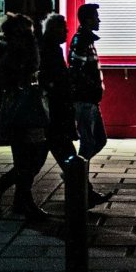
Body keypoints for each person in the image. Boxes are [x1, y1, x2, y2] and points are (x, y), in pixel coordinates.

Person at [38, 13, 113, 209]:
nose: (67, 31)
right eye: (63, 28)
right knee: (79, 149)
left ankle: (78, 180)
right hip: (68, 106)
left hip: (73, 104)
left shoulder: (60, 46)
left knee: (95, 142)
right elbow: (73, 71)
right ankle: (80, 186)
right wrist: (89, 88)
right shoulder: (73, 43)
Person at [0, 13, 52, 220]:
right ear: (20, 34)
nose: (33, 35)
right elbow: (21, 78)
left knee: (29, 159)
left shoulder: (16, 52)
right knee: (31, 158)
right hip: (24, 113)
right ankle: (20, 200)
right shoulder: (17, 55)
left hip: (24, 111)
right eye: (29, 32)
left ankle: (14, 198)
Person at [69, 3, 111, 201]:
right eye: (96, 17)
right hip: (85, 100)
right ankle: (80, 186)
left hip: (90, 100)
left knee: (99, 140)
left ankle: (76, 176)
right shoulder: (81, 40)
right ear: (87, 20)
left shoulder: (86, 40)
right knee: (88, 144)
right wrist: (93, 87)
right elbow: (75, 70)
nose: (99, 20)